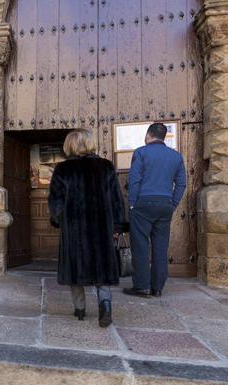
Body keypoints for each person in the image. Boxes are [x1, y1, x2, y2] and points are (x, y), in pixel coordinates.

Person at [49, 129, 126, 327]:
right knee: (102, 269)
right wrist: (117, 225)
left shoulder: (62, 170)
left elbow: (56, 203)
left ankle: (80, 309)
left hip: (74, 228)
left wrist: (59, 220)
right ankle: (105, 305)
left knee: (76, 269)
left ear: (70, 145)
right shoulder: (106, 167)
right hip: (101, 227)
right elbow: (117, 200)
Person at [123, 123, 186, 298]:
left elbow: (134, 180)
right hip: (165, 204)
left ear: (148, 135)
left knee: (141, 245)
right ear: (164, 137)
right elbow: (181, 183)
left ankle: (142, 286)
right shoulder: (176, 156)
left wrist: (133, 203)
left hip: (143, 203)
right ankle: (157, 287)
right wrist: (172, 203)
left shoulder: (141, 152)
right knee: (160, 246)